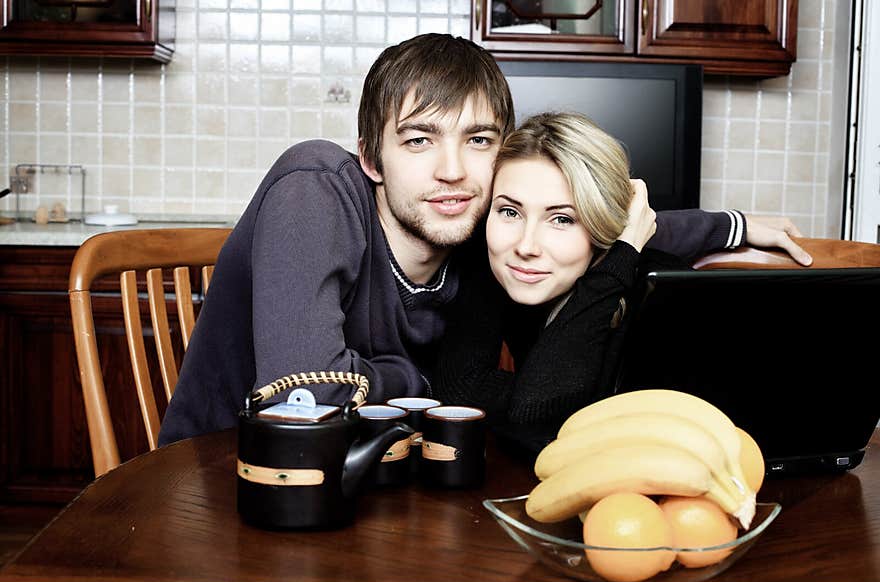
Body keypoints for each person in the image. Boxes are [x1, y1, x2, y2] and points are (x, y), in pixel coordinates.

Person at [158, 34, 810, 446]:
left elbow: (598, 217)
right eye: (419, 139)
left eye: (477, 140)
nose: (451, 169)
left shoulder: (476, 226)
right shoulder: (316, 189)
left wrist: (737, 225)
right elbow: (307, 397)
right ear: (372, 159)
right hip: (221, 483)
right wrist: (417, 379)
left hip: (383, 481)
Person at [433, 112, 811, 457]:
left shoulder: (660, 293)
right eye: (510, 211)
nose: (526, 246)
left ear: (603, 230)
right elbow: (465, 396)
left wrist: (621, 257)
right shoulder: (492, 268)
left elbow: (535, 419)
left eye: (562, 219)